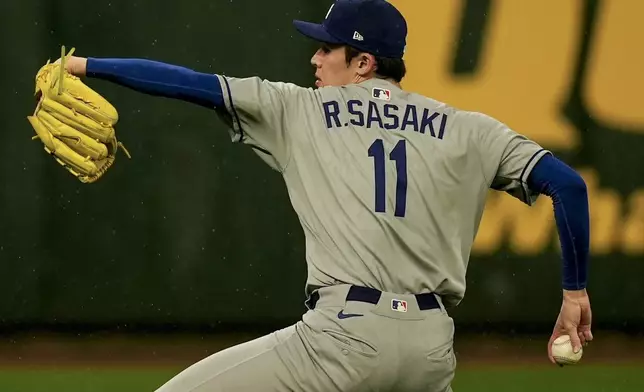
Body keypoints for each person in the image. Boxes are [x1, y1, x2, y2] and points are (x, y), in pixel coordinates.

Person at [59, 0, 593, 390]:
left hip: (343, 341)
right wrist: (573, 294)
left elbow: (188, 83)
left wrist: (83, 66)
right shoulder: (470, 129)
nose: (315, 60)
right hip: (432, 350)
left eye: (326, 47)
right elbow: (567, 186)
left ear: (362, 62)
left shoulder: (299, 109)